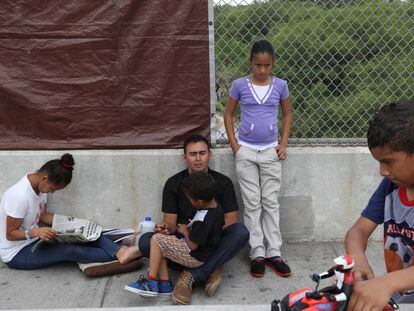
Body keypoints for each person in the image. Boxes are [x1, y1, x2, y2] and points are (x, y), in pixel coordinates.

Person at [138, 134, 250, 304]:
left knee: (240, 232)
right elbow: (170, 223)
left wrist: (204, 235)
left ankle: (191, 276)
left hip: (212, 242)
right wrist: (165, 229)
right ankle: (211, 268)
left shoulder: (223, 182)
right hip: (185, 243)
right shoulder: (173, 184)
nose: (198, 159)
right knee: (146, 241)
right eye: (192, 154)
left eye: (202, 153)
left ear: (209, 155)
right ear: (184, 157)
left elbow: (231, 220)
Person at [224, 39, 293, 278]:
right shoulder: (239, 85)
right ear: (251, 63)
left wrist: (282, 144)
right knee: (252, 203)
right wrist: (236, 147)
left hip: (271, 151)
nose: (262, 70)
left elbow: (287, 114)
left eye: (267, 65)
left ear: (273, 63)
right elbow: (229, 113)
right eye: (257, 65)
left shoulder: (280, 85)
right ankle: (257, 253)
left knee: (270, 201)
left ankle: (275, 252)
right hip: (246, 152)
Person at [0, 153, 141, 270]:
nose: (52, 192)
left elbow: (42, 215)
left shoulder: (40, 186)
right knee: (70, 250)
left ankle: (120, 250)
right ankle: (125, 253)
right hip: (17, 253)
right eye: (53, 188)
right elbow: (10, 234)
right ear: (45, 178)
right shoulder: (19, 196)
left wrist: (72, 224)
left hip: (36, 241)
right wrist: (36, 232)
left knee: (86, 231)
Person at [345, 100, 414, 310]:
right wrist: (356, 259)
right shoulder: (390, 187)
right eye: (379, 163)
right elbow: (358, 231)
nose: (382, 171)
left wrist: (386, 283)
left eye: (388, 162)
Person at [125, 172, 224, 298]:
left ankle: (150, 281)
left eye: (189, 198)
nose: (188, 200)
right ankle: (165, 285)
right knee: (161, 246)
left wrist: (185, 232)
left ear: (199, 202)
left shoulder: (203, 220)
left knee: (156, 240)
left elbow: (193, 246)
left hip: (195, 257)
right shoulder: (216, 207)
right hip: (205, 252)